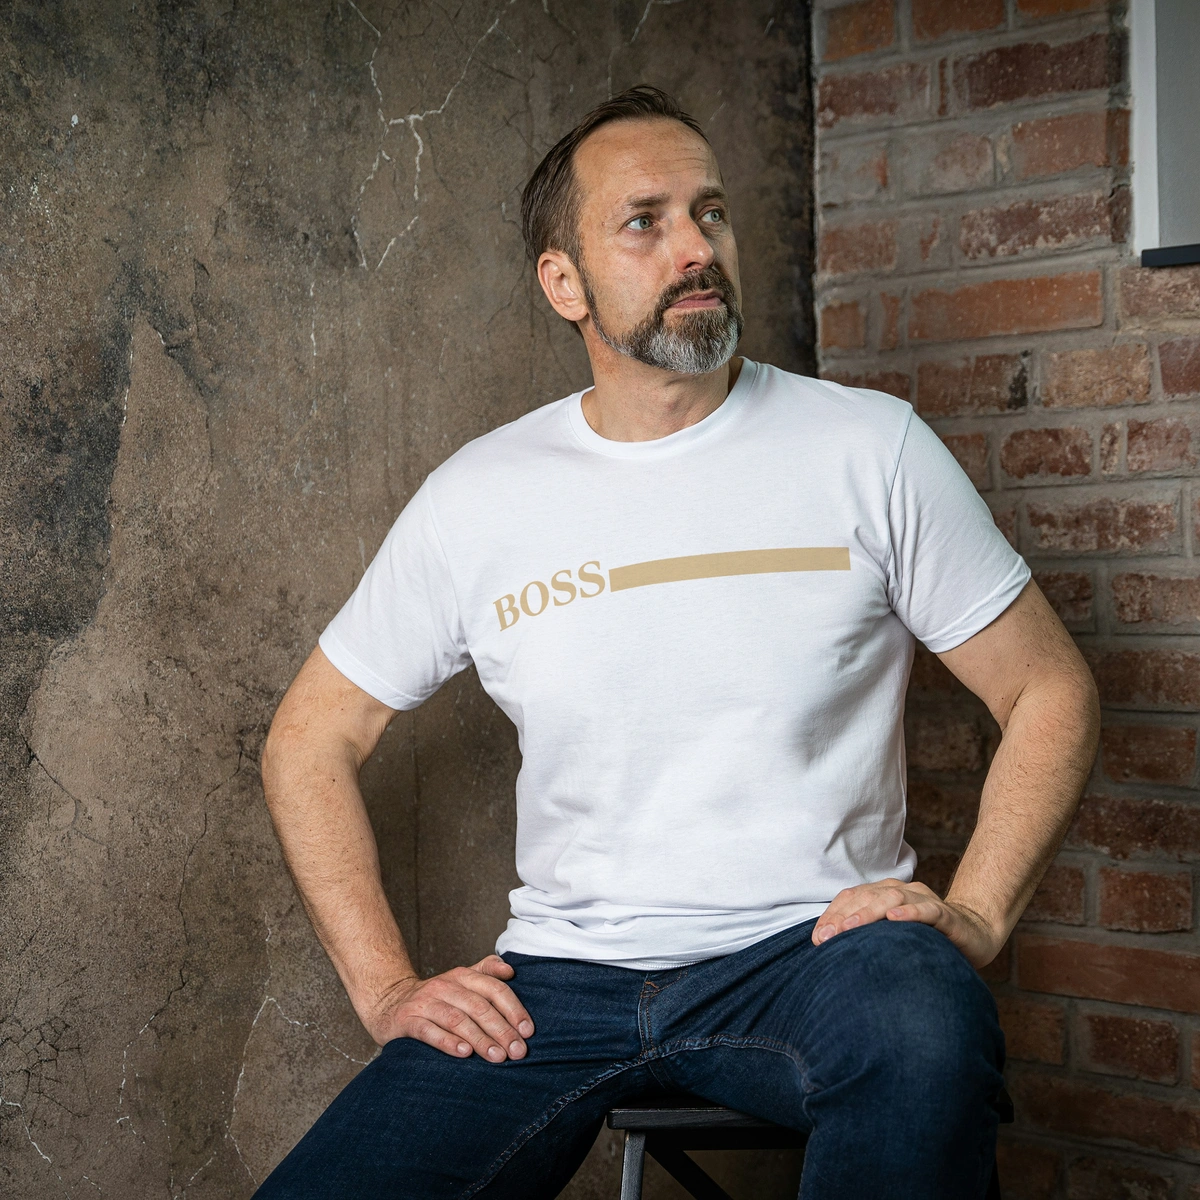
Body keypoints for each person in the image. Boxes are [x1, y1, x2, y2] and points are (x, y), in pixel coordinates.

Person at [254, 86, 1099, 1199]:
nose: (697, 247)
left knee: (925, 1026)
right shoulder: (478, 497)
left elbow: (1047, 687)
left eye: (710, 213)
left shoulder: (869, 448)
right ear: (564, 283)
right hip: (557, 986)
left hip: (812, 958)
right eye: (644, 222)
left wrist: (979, 911)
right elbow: (309, 740)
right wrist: (387, 990)